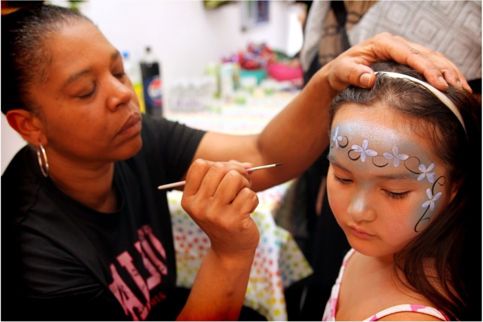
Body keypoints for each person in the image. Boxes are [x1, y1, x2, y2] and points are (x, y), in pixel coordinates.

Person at [1, 3, 470, 321]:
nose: (123, 95)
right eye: (87, 90)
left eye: (119, 71)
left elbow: (266, 156)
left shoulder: (138, 141)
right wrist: (228, 252)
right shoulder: (30, 253)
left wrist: (328, 78)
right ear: (28, 125)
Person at [322, 62, 481, 320]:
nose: (357, 211)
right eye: (343, 178)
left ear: (454, 186)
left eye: (395, 192)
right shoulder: (378, 246)